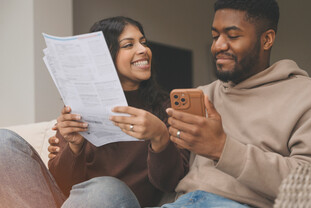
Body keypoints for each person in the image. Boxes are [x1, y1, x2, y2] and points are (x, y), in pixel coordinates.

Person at [68, 0, 311, 208]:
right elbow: (169, 181)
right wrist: (161, 141)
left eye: (232, 36)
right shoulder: (202, 95)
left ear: (267, 39)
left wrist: (223, 149)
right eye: (214, 36)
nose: (218, 46)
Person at [0, 16, 189, 208]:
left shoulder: (167, 109)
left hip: (114, 200)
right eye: (128, 45)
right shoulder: (79, 105)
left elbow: (170, 183)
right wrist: (74, 147)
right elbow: (61, 185)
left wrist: (160, 137)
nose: (143, 50)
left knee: (104, 188)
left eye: (143, 42)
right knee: (3, 141)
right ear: (103, 55)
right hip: (69, 203)